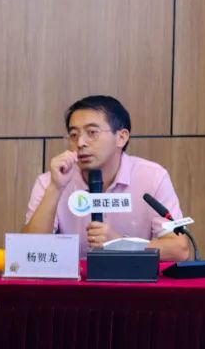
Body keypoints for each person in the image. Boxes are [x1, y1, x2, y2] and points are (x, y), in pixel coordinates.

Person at [23, 95, 191, 261]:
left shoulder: (152, 177)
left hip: (131, 278)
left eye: (92, 132)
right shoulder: (50, 181)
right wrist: (55, 188)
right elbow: (27, 251)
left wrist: (121, 245)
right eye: (73, 134)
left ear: (121, 137)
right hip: (74, 278)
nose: (80, 143)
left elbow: (179, 249)